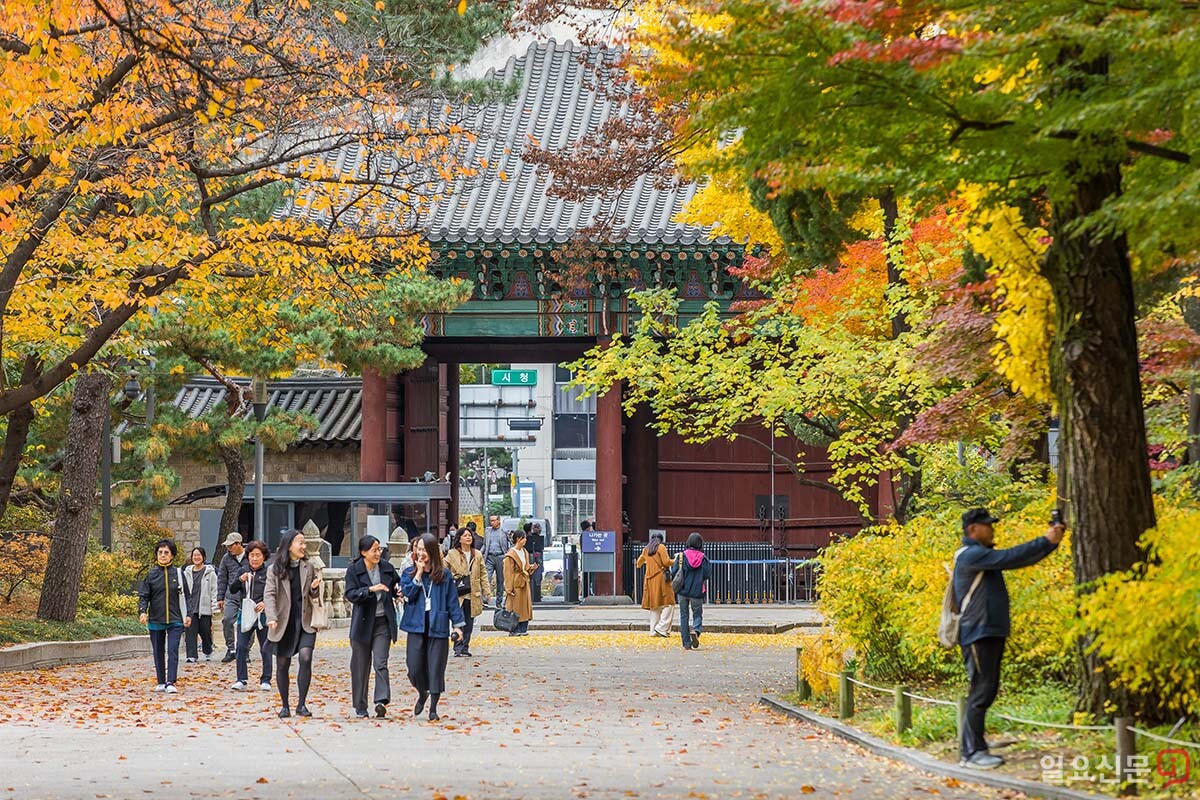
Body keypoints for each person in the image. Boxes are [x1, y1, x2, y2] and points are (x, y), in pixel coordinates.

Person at [954, 508, 1063, 769]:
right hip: (978, 633)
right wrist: (1045, 541)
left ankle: (975, 747)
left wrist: (1050, 543)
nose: (992, 529)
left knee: (986, 689)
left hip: (988, 631)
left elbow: (1018, 559)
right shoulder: (972, 555)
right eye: (987, 525)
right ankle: (970, 753)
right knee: (981, 690)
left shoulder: (980, 555)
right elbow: (1011, 557)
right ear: (973, 530)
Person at [399, 534, 465, 721]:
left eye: (424, 549)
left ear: (433, 552)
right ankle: (422, 692)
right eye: (418, 549)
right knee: (414, 668)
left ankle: (433, 708)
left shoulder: (444, 575)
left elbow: (452, 602)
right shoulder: (408, 574)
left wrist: (458, 626)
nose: (421, 553)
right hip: (416, 625)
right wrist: (418, 574)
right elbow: (408, 594)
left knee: (436, 668)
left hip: (438, 626)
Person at [264, 530, 323, 718]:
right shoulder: (274, 569)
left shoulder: (309, 566)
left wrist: (314, 589)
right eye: (300, 543)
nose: (304, 546)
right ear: (289, 545)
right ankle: (285, 705)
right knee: (282, 664)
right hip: (284, 621)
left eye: (304, 543)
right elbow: (270, 594)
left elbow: (313, 596)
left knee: (306, 657)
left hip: (304, 619)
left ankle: (302, 704)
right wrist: (271, 616)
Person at [344, 535, 402, 719]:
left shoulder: (386, 567)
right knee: (360, 667)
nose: (378, 553)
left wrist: (397, 592)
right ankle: (361, 706)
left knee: (380, 662)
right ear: (363, 552)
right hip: (362, 624)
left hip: (382, 622)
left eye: (379, 549)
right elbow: (350, 594)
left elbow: (396, 585)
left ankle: (381, 701)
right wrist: (369, 589)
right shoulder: (354, 570)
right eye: (374, 550)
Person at [137, 539, 190, 693]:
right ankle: (161, 681)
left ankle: (170, 681)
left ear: (172, 555)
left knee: (173, 650)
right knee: (158, 651)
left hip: (175, 619)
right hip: (156, 618)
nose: (163, 555)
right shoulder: (151, 574)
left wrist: (188, 615)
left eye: (166, 552)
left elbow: (187, 596)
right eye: (160, 552)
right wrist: (142, 611)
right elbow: (144, 595)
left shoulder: (179, 574)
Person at [227, 540, 272, 691]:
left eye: (258, 555)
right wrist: (240, 580)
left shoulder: (269, 573)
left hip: (263, 614)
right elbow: (232, 590)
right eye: (252, 555)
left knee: (265, 648)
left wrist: (265, 603)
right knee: (240, 646)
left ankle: (266, 679)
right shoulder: (242, 571)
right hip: (245, 613)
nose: (254, 558)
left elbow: (275, 593)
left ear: (264, 557)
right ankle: (241, 679)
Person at [444, 527, 488, 657]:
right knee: (458, 620)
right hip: (457, 593)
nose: (468, 538)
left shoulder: (477, 554)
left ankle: (465, 647)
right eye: (465, 536)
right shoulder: (452, 554)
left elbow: (483, 573)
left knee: (469, 622)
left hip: (472, 593)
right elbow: (443, 569)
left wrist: (486, 590)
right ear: (459, 538)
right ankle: (457, 647)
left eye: (470, 535)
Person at [667, 532, 712, 650]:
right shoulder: (703, 558)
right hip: (696, 591)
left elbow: (674, 572)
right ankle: (696, 630)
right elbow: (707, 575)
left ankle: (686, 643)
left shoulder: (681, 556)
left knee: (684, 615)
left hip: (682, 591)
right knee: (697, 613)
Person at [182, 547, 218, 663]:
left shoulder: (210, 572)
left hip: (204, 609)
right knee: (190, 633)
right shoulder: (186, 572)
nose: (196, 557)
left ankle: (207, 651)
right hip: (190, 609)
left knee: (205, 632)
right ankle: (191, 655)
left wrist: (214, 607)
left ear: (203, 557)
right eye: (194, 555)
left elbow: (214, 590)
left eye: (199, 555)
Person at [635, 532, 675, 637]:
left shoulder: (646, 549)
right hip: (661, 578)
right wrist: (675, 561)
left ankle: (653, 631)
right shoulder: (661, 547)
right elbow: (666, 562)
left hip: (649, 580)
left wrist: (646, 562)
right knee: (669, 603)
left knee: (654, 606)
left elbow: (638, 563)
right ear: (661, 540)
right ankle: (662, 628)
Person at [215, 532, 246, 663]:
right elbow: (222, 578)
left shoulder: (251, 556)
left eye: (231, 545)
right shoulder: (226, 558)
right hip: (231, 595)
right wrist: (220, 597)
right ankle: (231, 649)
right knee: (227, 620)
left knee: (247, 623)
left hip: (248, 595)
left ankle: (244, 651)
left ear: (239, 544)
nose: (229, 548)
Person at [502, 527, 536, 636]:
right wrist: (508, 588)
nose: (525, 540)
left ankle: (523, 628)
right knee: (515, 607)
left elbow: (525, 567)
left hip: (524, 582)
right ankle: (514, 629)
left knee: (524, 607)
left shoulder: (524, 551)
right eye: (523, 538)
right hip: (516, 583)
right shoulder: (511, 554)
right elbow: (507, 572)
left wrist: (531, 567)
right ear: (518, 539)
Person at [482, 515, 508, 605]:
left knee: (500, 580)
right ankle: (485, 598)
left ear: (498, 521)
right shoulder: (487, 531)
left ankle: (499, 600)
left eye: (493, 520)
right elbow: (485, 545)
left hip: (501, 556)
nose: (491, 522)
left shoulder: (504, 531)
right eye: (490, 521)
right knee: (486, 577)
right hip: (489, 556)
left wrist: (508, 554)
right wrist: (479, 554)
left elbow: (511, 543)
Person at [526, 522, 545, 604]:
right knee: (534, 576)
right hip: (533, 558)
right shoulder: (529, 538)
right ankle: (533, 594)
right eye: (535, 527)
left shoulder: (538, 539)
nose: (537, 529)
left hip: (537, 558)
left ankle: (536, 594)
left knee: (538, 576)